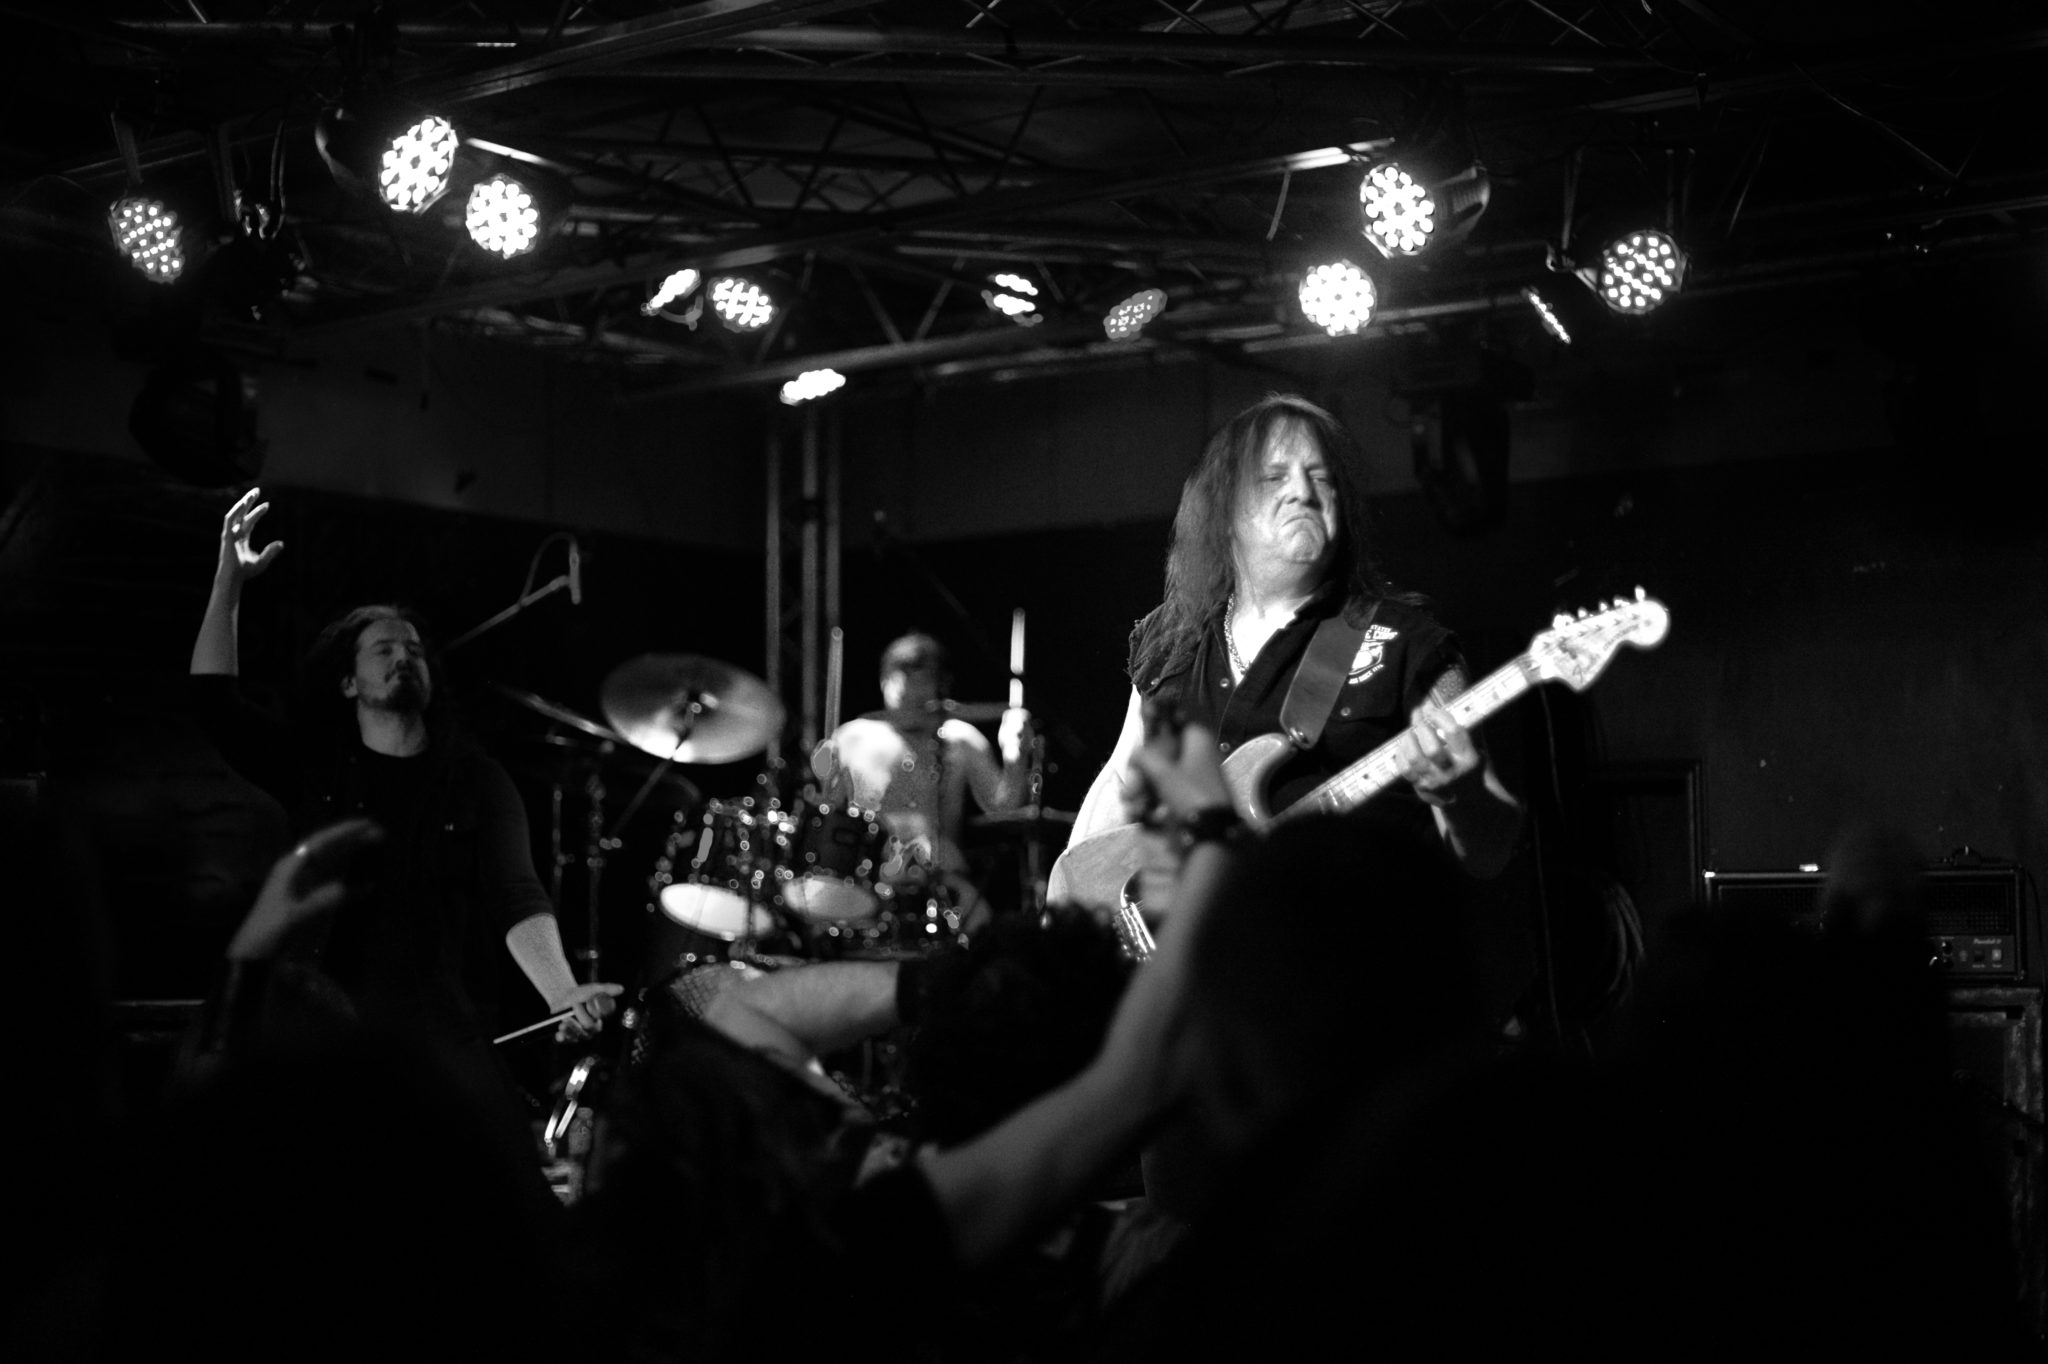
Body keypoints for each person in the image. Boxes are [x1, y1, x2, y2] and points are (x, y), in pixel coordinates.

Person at [187, 487, 621, 1149]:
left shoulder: (477, 780)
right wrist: (229, 581)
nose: (403, 657)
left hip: (441, 1035)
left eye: (414, 649)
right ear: (349, 683)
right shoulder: (316, 769)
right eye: (383, 649)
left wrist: (561, 992)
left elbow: (517, 894)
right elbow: (215, 705)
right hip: (327, 1033)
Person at [1065, 393, 1523, 881]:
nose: (1303, 492)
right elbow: (1122, 781)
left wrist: (1462, 794)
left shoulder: (1406, 645)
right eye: (1274, 477)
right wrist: (1069, 896)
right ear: (1224, 509)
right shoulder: (1175, 636)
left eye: (1320, 477)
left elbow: (1490, 855)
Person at [809, 631, 1034, 934]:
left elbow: (1003, 806)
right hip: (867, 879)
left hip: (943, 880)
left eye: (921, 682)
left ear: (939, 686)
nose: (910, 692)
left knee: (985, 932)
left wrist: (1014, 757)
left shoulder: (960, 737)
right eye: (901, 683)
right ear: (883, 681)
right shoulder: (852, 736)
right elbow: (829, 822)